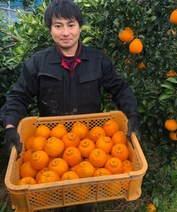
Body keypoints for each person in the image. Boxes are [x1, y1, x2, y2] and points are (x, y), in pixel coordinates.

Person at [1, 0, 140, 211]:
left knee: (85, 198)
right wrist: (10, 126)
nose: (65, 32)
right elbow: (18, 96)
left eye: (71, 25)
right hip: (50, 143)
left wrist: (132, 115)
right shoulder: (37, 63)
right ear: (50, 30)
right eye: (58, 26)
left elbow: (120, 88)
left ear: (79, 27)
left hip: (91, 140)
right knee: (55, 196)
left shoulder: (98, 60)